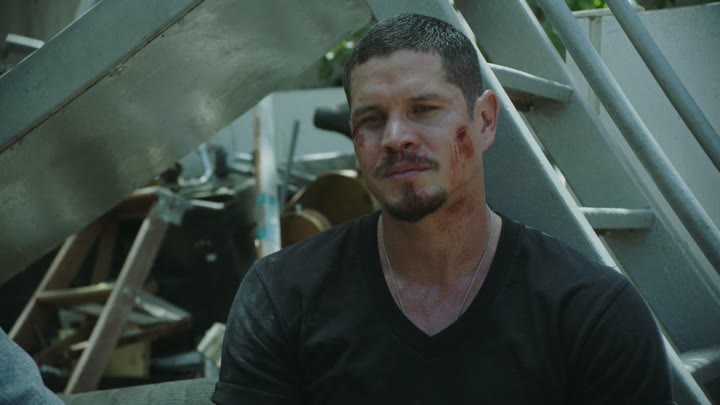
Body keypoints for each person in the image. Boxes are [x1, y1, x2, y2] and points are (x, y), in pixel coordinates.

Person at [212, 13, 673, 404]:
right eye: (372, 119)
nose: (395, 138)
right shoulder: (282, 297)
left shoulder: (592, 314)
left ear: (485, 121)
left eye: (424, 108)